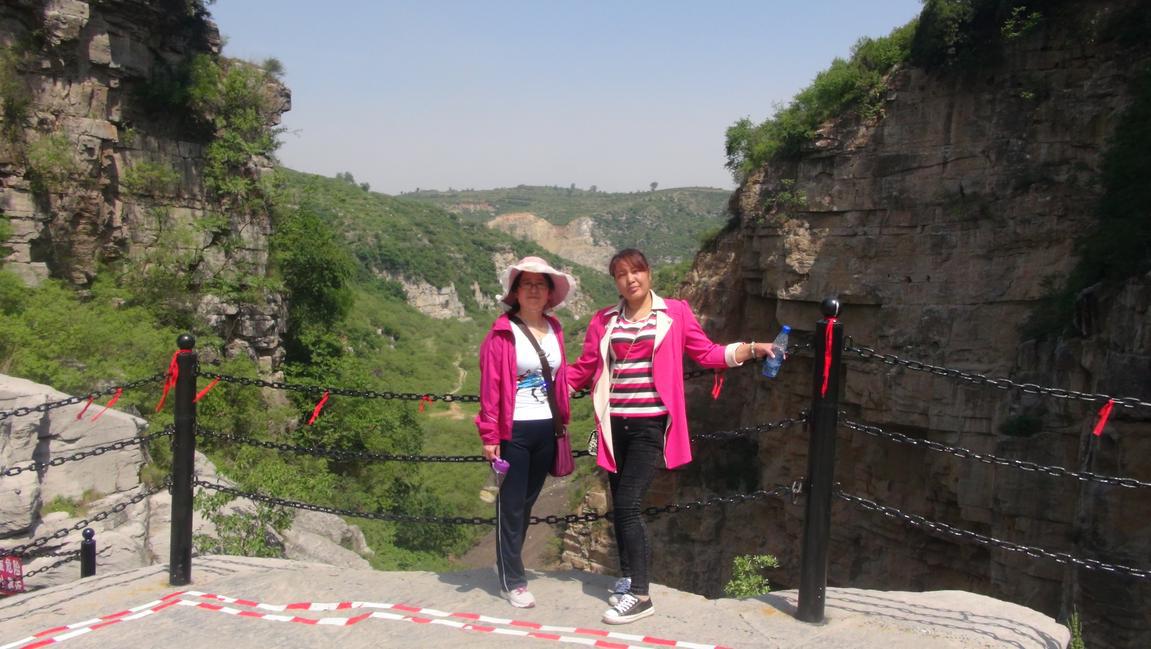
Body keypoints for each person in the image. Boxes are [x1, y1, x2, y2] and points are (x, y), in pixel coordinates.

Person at [567, 248, 777, 625]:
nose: (630, 279)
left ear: (648, 273)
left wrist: (751, 349)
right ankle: (628, 577)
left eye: (636, 271)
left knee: (629, 503)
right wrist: (545, 384)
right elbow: (584, 368)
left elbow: (706, 353)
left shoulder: (675, 313)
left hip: (650, 426)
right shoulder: (604, 320)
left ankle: (640, 596)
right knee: (619, 502)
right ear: (615, 281)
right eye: (621, 274)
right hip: (614, 427)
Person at [476, 255, 575, 608]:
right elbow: (490, 387)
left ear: (549, 293)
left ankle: (507, 563)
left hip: (547, 429)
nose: (534, 290)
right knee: (512, 505)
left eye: (540, 284)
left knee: (528, 502)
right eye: (526, 284)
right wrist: (490, 435)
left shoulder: (555, 329)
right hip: (513, 430)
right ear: (515, 292)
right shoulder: (502, 332)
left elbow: (560, 376)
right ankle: (512, 581)